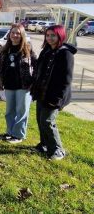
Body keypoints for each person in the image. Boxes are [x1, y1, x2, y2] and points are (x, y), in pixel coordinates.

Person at [30, 25, 76, 160]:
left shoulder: (65, 54)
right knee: (40, 120)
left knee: (48, 121)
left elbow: (66, 79)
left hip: (54, 96)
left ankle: (57, 150)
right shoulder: (46, 50)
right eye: (48, 35)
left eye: (53, 35)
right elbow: (39, 71)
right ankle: (44, 145)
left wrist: (57, 98)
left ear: (60, 36)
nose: (50, 38)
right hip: (42, 93)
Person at [0, 24, 37, 143]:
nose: (15, 35)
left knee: (21, 111)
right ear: (9, 34)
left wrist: (33, 81)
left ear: (22, 35)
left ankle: (18, 135)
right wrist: (0, 81)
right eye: (13, 33)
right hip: (9, 85)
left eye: (18, 33)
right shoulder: (5, 50)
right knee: (10, 111)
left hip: (23, 85)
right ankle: (10, 132)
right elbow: (1, 67)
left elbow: (36, 65)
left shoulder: (27, 48)